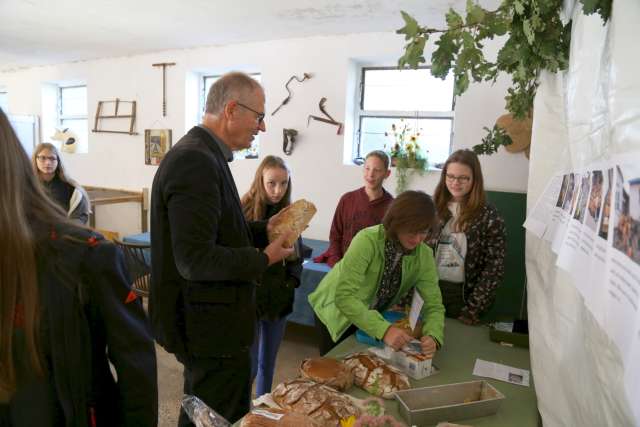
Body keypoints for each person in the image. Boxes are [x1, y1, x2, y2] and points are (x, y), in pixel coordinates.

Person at [149, 72, 293, 426]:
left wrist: (263, 230)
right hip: (210, 329)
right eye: (259, 116)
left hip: (214, 325)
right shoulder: (194, 161)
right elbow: (195, 259)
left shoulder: (207, 155)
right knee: (215, 415)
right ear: (231, 109)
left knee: (203, 412)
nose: (261, 127)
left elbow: (221, 231)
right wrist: (264, 258)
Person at [0, 108, 158, 426]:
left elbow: (136, 369)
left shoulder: (89, 256)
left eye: (52, 159)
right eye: (43, 159)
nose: (47, 164)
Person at [309, 190, 445, 356]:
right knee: (335, 370)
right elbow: (344, 297)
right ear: (396, 222)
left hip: (370, 316)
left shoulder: (424, 255)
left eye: (423, 232)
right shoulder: (367, 240)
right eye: (412, 230)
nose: (417, 239)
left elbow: (433, 304)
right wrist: (385, 330)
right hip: (335, 313)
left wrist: (433, 335)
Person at [240, 155, 303, 398]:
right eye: (272, 183)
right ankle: (241, 414)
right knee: (250, 365)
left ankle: (263, 411)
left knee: (268, 364)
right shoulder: (243, 211)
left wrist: (292, 280)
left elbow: (297, 255)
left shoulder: (293, 213)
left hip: (279, 298)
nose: (278, 191)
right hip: (251, 300)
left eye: (284, 183)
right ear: (260, 181)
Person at [428, 149, 506, 325]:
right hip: (428, 290)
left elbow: (494, 266)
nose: (455, 182)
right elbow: (415, 254)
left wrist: (474, 307)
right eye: (451, 176)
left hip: (465, 297)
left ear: (474, 180)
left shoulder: (489, 215)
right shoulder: (431, 208)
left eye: (463, 178)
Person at [313, 150, 393, 267]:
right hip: (344, 262)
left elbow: (390, 245)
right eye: (367, 168)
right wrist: (337, 263)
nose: (370, 175)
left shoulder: (392, 206)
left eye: (377, 170)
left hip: (372, 268)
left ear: (387, 173)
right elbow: (335, 235)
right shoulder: (347, 199)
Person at [32, 142, 90, 224]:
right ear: (35, 159)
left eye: (52, 158)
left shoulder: (71, 188)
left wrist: (67, 228)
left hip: (63, 233)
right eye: (42, 158)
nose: (47, 162)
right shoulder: (27, 186)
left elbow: (80, 217)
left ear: (58, 161)